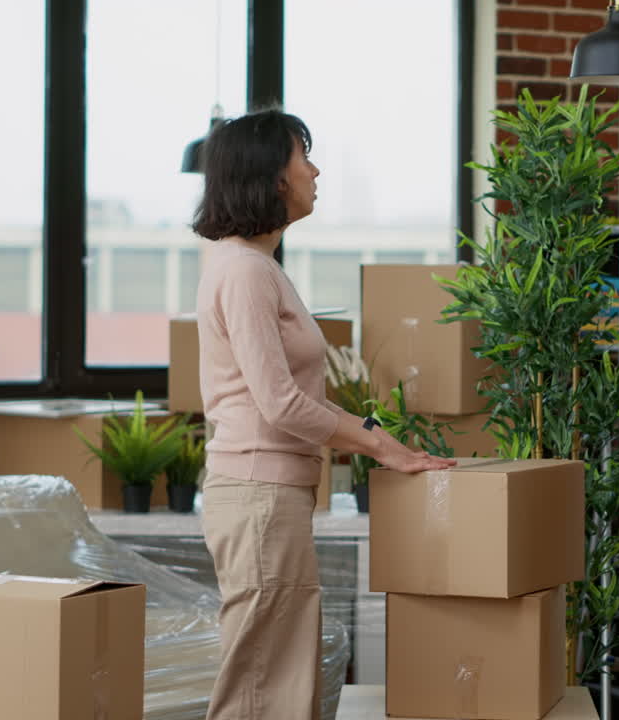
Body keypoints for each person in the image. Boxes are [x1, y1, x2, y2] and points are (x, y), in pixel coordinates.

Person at [192, 108, 455, 720]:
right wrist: (378, 444)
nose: (315, 169)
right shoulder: (245, 273)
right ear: (272, 177)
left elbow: (290, 394)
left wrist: (374, 435)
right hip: (259, 495)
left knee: (279, 680)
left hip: (271, 495)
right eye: (301, 156)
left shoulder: (254, 269)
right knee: (262, 688)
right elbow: (279, 403)